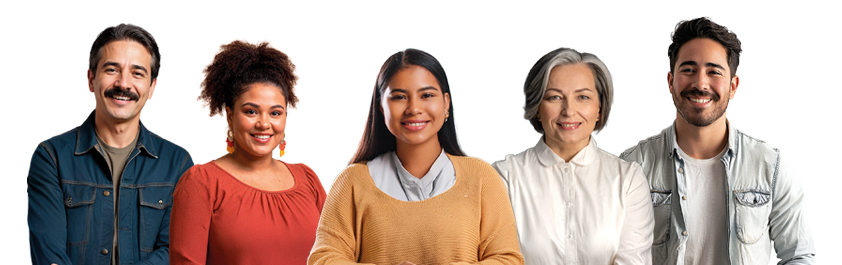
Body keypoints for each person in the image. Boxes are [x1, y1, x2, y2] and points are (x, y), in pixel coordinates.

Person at [620, 17, 815, 264]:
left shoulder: (770, 167)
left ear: (733, 86)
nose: (700, 83)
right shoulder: (632, 167)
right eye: (688, 70)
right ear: (671, 82)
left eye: (714, 72)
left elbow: (799, 255)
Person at [308, 48, 523, 265]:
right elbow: (323, 259)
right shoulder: (352, 182)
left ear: (446, 103)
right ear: (381, 107)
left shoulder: (481, 178)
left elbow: (508, 260)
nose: (414, 108)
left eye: (427, 95)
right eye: (399, 97)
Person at [27, 24, 193, 265]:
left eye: (137, 73)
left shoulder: (177, 164)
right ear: (91, 78)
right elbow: (49, 255)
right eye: (112, 69)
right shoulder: (51, 158)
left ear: (151, 87)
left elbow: (174, 251)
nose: (123, 83)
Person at [169, 41, 326, 264]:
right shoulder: (201, 183)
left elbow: (334, 254)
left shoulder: (307, 179)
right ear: (230, 116)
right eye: (251, 111)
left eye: (275, 113)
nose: (264, 123)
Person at [492, 48, 653, 264]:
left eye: (583, 97)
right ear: (537, 107)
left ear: (599, 108)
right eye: (555, 97)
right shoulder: (505, 177)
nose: (569, 110)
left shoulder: (628, 180)